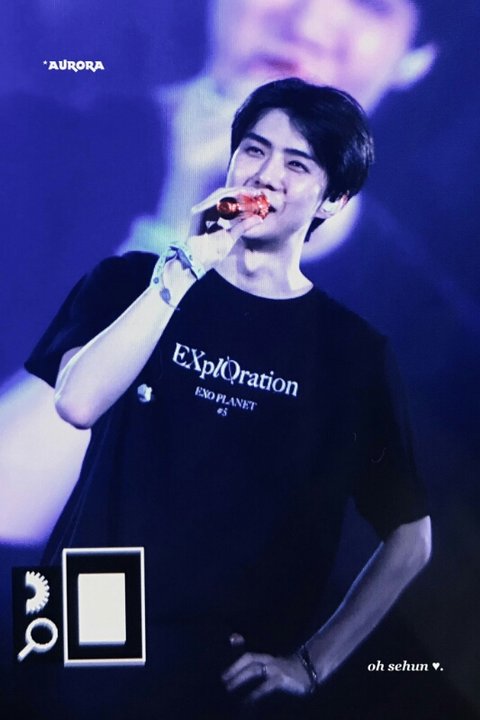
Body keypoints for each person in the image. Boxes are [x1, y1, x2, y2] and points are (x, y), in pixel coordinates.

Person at [22, 78, 430, 720]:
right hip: (78, 608)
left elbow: (411, 537)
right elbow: (77, 404)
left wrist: (313, 663)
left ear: (335, 199)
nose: (267, 175)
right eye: (254, 150)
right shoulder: (130, 281)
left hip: (220, 657)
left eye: (298, 164)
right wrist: (184, 268)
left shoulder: (352, 353)